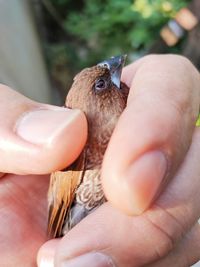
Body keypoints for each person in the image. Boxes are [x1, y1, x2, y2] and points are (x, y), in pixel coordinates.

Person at [0, 54, 199, 267]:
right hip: (67, 232)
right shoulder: (77, 138)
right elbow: (61, 208)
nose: (114, 64)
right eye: (102, 84)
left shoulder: (127, 122)